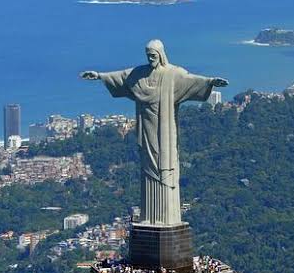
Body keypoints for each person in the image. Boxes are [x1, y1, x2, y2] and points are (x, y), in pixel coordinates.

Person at [81, 40, 227, 225]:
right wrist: (99, 76)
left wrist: (211, 82)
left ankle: (167, 218)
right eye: (148, 55)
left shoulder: (172, 74)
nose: (150, 59)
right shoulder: (139, 75)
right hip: (147, 130)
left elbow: (191, 80)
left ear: (161, 54)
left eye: (154, 55)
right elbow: (121, 77)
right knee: (148, 169)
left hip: (165, 132)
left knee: (165, 167)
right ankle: (150, 217)